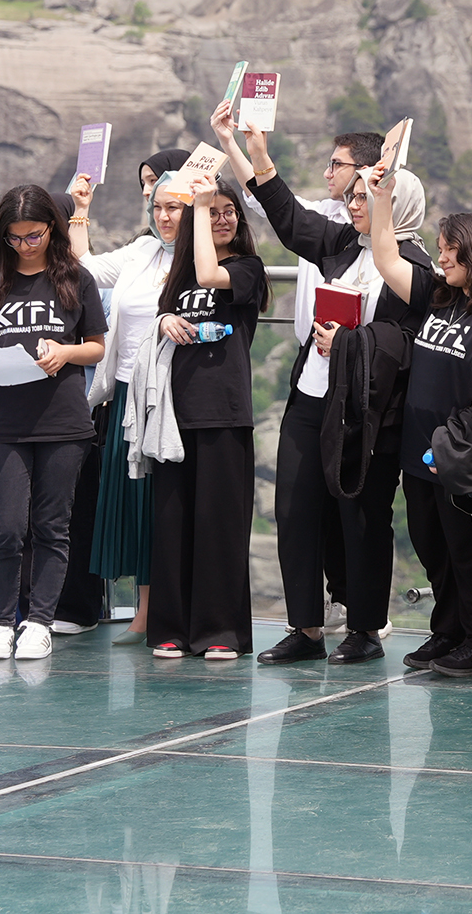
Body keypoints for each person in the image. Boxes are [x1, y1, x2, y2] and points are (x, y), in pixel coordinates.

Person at [221, 113, 433, 666]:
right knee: (294, 509)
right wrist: (256, 153)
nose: (354, 206)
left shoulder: (414, 266)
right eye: (355, 196)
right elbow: (289, 219)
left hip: (367, 415)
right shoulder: (341, 242)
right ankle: (305, 628)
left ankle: (363, 627)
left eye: (366, 198)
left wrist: (348, 343)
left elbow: (404, 344)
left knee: (361, 518)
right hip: (311, 399)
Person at [368, 172, 472, 678]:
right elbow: (387, 258)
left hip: (463, 456)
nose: (442, 258)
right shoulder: (437, 294)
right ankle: (448, 630)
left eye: (450, 250)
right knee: (434, 548)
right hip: (419, 452)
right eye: (440, 249)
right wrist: (380, 198)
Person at [0, 185, 107, 661]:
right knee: (4, 526)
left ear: (52, 229)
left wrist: (65, 352)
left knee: (52, 524)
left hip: (62, 420)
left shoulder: (75, 278)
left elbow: (96, 346)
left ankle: (40, 621)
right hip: (2, 418)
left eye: (34, 236)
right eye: (15, 238)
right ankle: (1, 624)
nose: (25, 246)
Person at [146, 174, 268, 660]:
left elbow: (208, 277)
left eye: (226, 211)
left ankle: (220, 631)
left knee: (219, 525)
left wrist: (196, 208)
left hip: (224, 411)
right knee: (172, 525)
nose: (219, 218)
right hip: (175, 412)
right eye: (210, 211)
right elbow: (165, 308)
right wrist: (163, 320)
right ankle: (171, 628)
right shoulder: (178, 271)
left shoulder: (247, 267)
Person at [78, 150, 188, 646]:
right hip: (126, 392)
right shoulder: (142, 251)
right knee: (136, 504)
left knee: (163, 505)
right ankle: (144, 610)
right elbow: (86, 267)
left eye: (176, 207)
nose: (164, 215)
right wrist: (81, 208)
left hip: (170, 396)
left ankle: (166, 611)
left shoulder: (200, 256)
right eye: (158, 205)